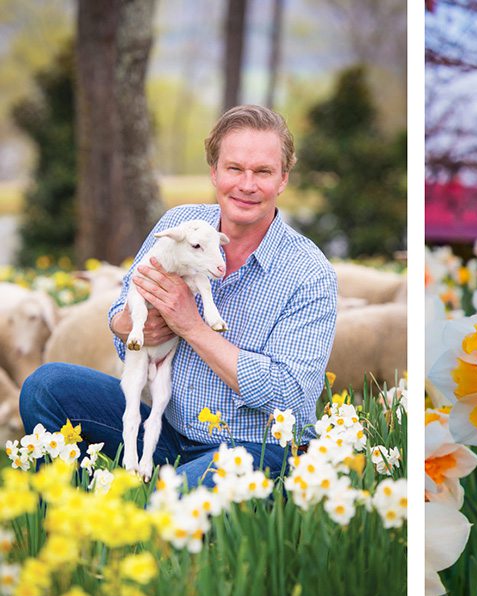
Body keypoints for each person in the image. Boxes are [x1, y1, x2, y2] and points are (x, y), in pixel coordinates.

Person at [20, 105, 338, 489]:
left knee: (173, 498)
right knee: (46, 386)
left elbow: (289, 393)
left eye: (263, 172)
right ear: (214, 172)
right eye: (235, 169)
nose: (247, 184)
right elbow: (124, 320)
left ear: (283, 179)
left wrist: (191, 325)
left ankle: (158, 512)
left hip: (256, 446)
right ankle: (65, 524)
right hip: (168, 432)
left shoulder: (310, 272)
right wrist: (129, 324)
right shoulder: (177, 225)